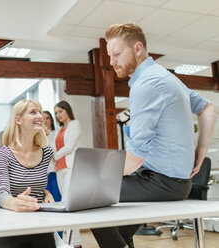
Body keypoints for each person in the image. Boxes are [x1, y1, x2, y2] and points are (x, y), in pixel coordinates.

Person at [91, 22, 217, 248]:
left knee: (92, 194)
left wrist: (100, 177)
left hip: (159, 182)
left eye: (117, 54)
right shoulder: (165, 77)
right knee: (120, 230)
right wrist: (201, 150)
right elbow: (208, 108)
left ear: (138, 48)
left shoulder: (147, 84)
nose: (112, 62)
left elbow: (136, 158)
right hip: (174, 182)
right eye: (110, 56)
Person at [0, 100, 56, 248]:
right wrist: (14, 202)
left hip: (39, 225)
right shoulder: (2, 154)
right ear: (18, 119)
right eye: (33, 112)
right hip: (8, 227)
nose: (40, 116)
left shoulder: (46, 152)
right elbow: (2, 192)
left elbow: (36, 184)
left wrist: (45, 192)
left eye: (40, 112)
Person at [54, 100, 82, 247]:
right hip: (59, 169)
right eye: (56, 112)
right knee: (64, 205)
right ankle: (75, 242)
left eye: (61, 111)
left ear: (67, 110)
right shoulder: (59, 130)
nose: (58, 115)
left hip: (70, 168)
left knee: (67, 205)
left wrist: (55, 156)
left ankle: (73, 242)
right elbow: (54, 146)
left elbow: (70, 147)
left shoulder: (74, 124)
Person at [43, 110, 61, 202]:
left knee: (57, 198)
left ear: (51, 120)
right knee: (47, 200)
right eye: (43, 118)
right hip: (43, 173)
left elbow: (56, 152)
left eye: (47, 118)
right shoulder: (37, 135)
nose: (45, 121)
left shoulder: (57, 133)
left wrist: (47, 137)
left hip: (54, 170)